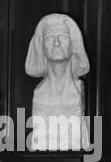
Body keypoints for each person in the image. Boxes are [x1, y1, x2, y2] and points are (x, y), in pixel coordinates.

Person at [25, 13, 90, 150]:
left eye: (63, 37)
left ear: (73, 44)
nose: (56, 43)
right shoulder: (39, 93)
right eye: (49, 37)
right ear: (41, 47)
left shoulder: (78, 89)